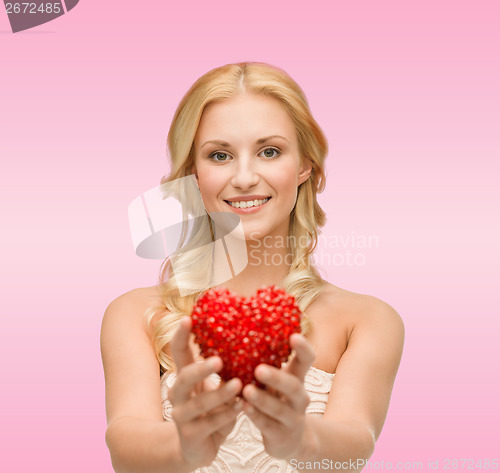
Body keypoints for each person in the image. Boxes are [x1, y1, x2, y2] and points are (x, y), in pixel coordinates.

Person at [100, 61, 405, 473]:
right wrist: (184, 447)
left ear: (304, 166)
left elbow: (355, 446)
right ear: (194, 174)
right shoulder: (137, 314)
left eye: (269, 151)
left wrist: (300, 438)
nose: (244, 178)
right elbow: (125, 445)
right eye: (220, 155)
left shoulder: (368, 320)